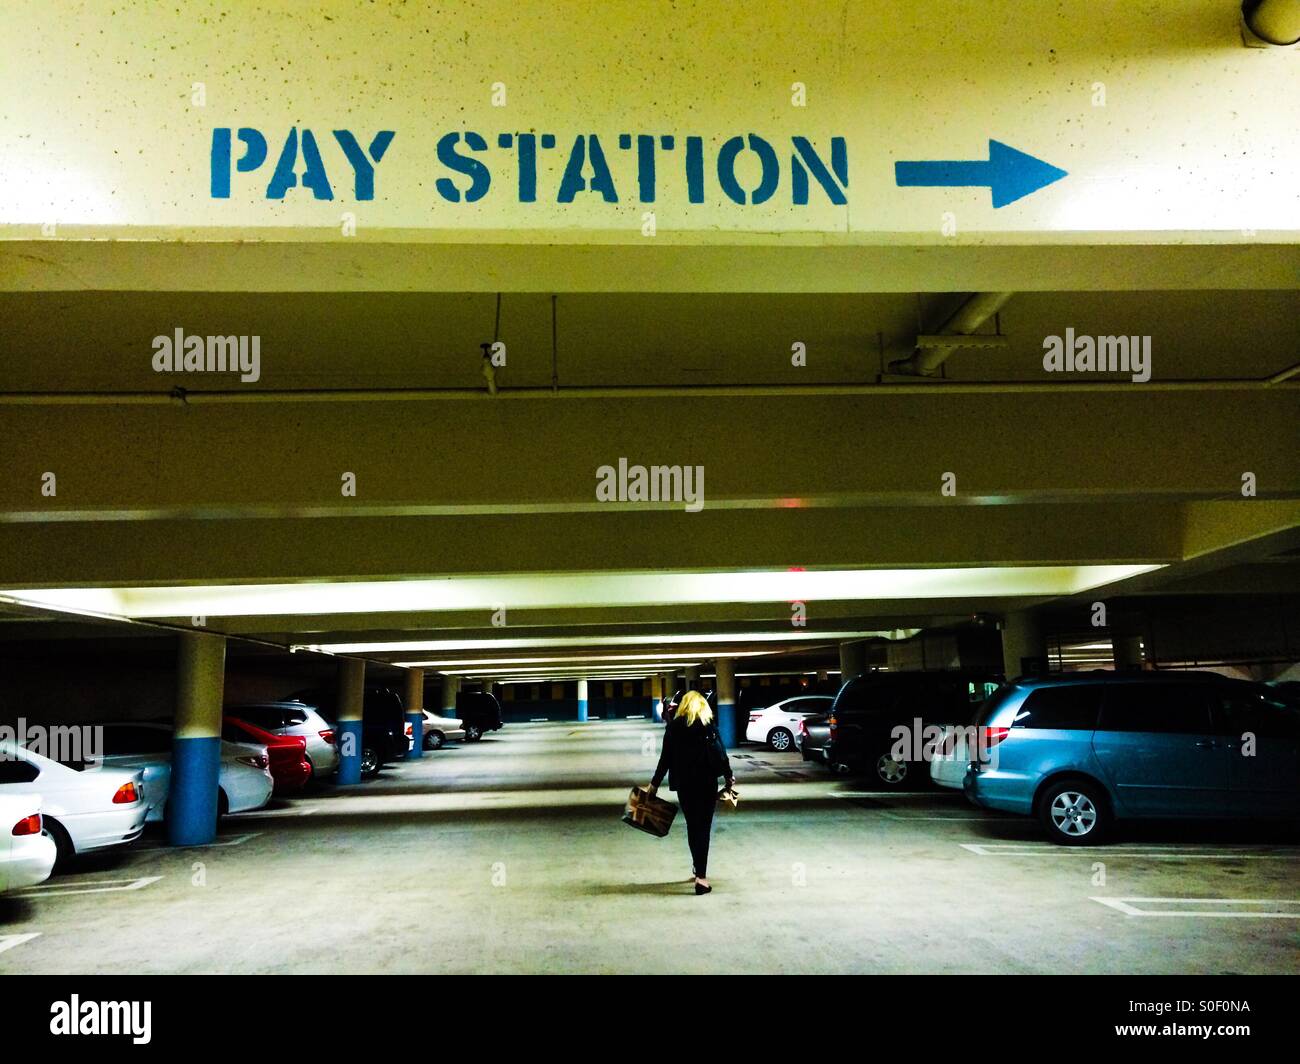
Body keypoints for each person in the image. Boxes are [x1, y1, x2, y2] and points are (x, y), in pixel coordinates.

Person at [646, 690, 734, 895]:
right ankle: (701, 877)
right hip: (707, 783)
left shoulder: (674, 727)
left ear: (683, 706)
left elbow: (665, 759)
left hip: (685, 785)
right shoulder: (708, 726)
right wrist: (729, 777)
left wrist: (654, 784)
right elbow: (722, 754)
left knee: (693, 826)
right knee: (703, 828)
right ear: (703, 706)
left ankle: (697, 868)